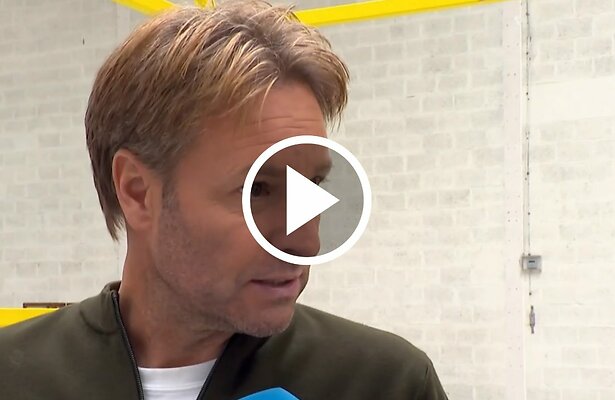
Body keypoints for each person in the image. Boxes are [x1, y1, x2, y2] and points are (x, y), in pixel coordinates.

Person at [0, 1, 448, 399]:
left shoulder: (385, 385)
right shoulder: (14, 377)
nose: (305, 241)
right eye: (258, 189)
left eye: (314, 184)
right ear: (137, 191)